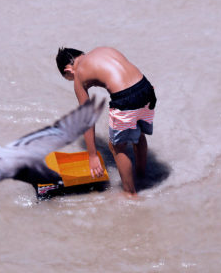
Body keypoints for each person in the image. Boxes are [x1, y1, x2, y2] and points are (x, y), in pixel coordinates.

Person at [56, 46, 156, 196]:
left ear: (69, 71)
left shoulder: (79, 74)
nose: (73, 81)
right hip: (146, 88)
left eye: (69, 79)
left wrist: (92, 155)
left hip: (126, 97)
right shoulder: (103, 50)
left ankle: (130, 194)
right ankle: (142, 175)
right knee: (138, 133)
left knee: (117, 146)